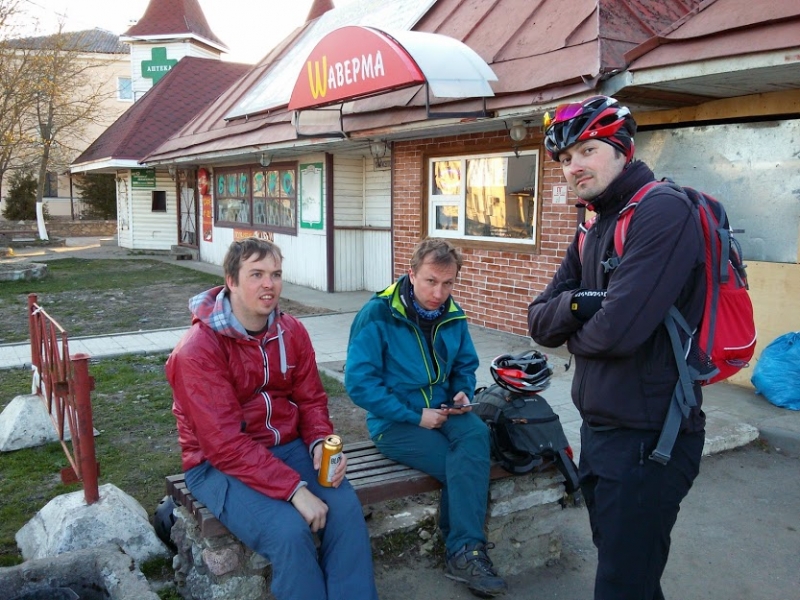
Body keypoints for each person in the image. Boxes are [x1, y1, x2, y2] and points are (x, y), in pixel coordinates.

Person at [527, 95, 706, 600]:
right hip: (602, 432)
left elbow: (617, 335)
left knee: (621, 584)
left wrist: (581, 326)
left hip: (650, 441)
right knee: (628, 577)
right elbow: (539, 321)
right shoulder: (593, 222)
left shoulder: (661, 211)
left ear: (622, 147)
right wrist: (584, 306)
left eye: (586, 150)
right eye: (564, 159)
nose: (572, 167)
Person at [165, 238, 379, 600]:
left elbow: (311, 399)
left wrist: (319, 443)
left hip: (288, 447)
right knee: (289, 531)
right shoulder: (198, 351)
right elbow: (224, 445)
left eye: (276, 274)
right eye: (257, 274)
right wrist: (295, 491)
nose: (269, 284)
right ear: (231, 281)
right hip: (216, 465)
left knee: (343, 508)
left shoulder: (291, 331)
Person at [345, 238, 507, 598]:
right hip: (394, 421)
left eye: (448, 283)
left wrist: (463, 390)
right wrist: (415, 415)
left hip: (445, 408)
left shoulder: (452, 314)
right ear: (412, 274)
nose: (439, 292)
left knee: (477, 435)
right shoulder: (378, 315)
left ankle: (462, 549)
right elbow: (359, 384)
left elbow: (465, 363)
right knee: (461, 465)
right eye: (431, 281)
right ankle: (464, 550)